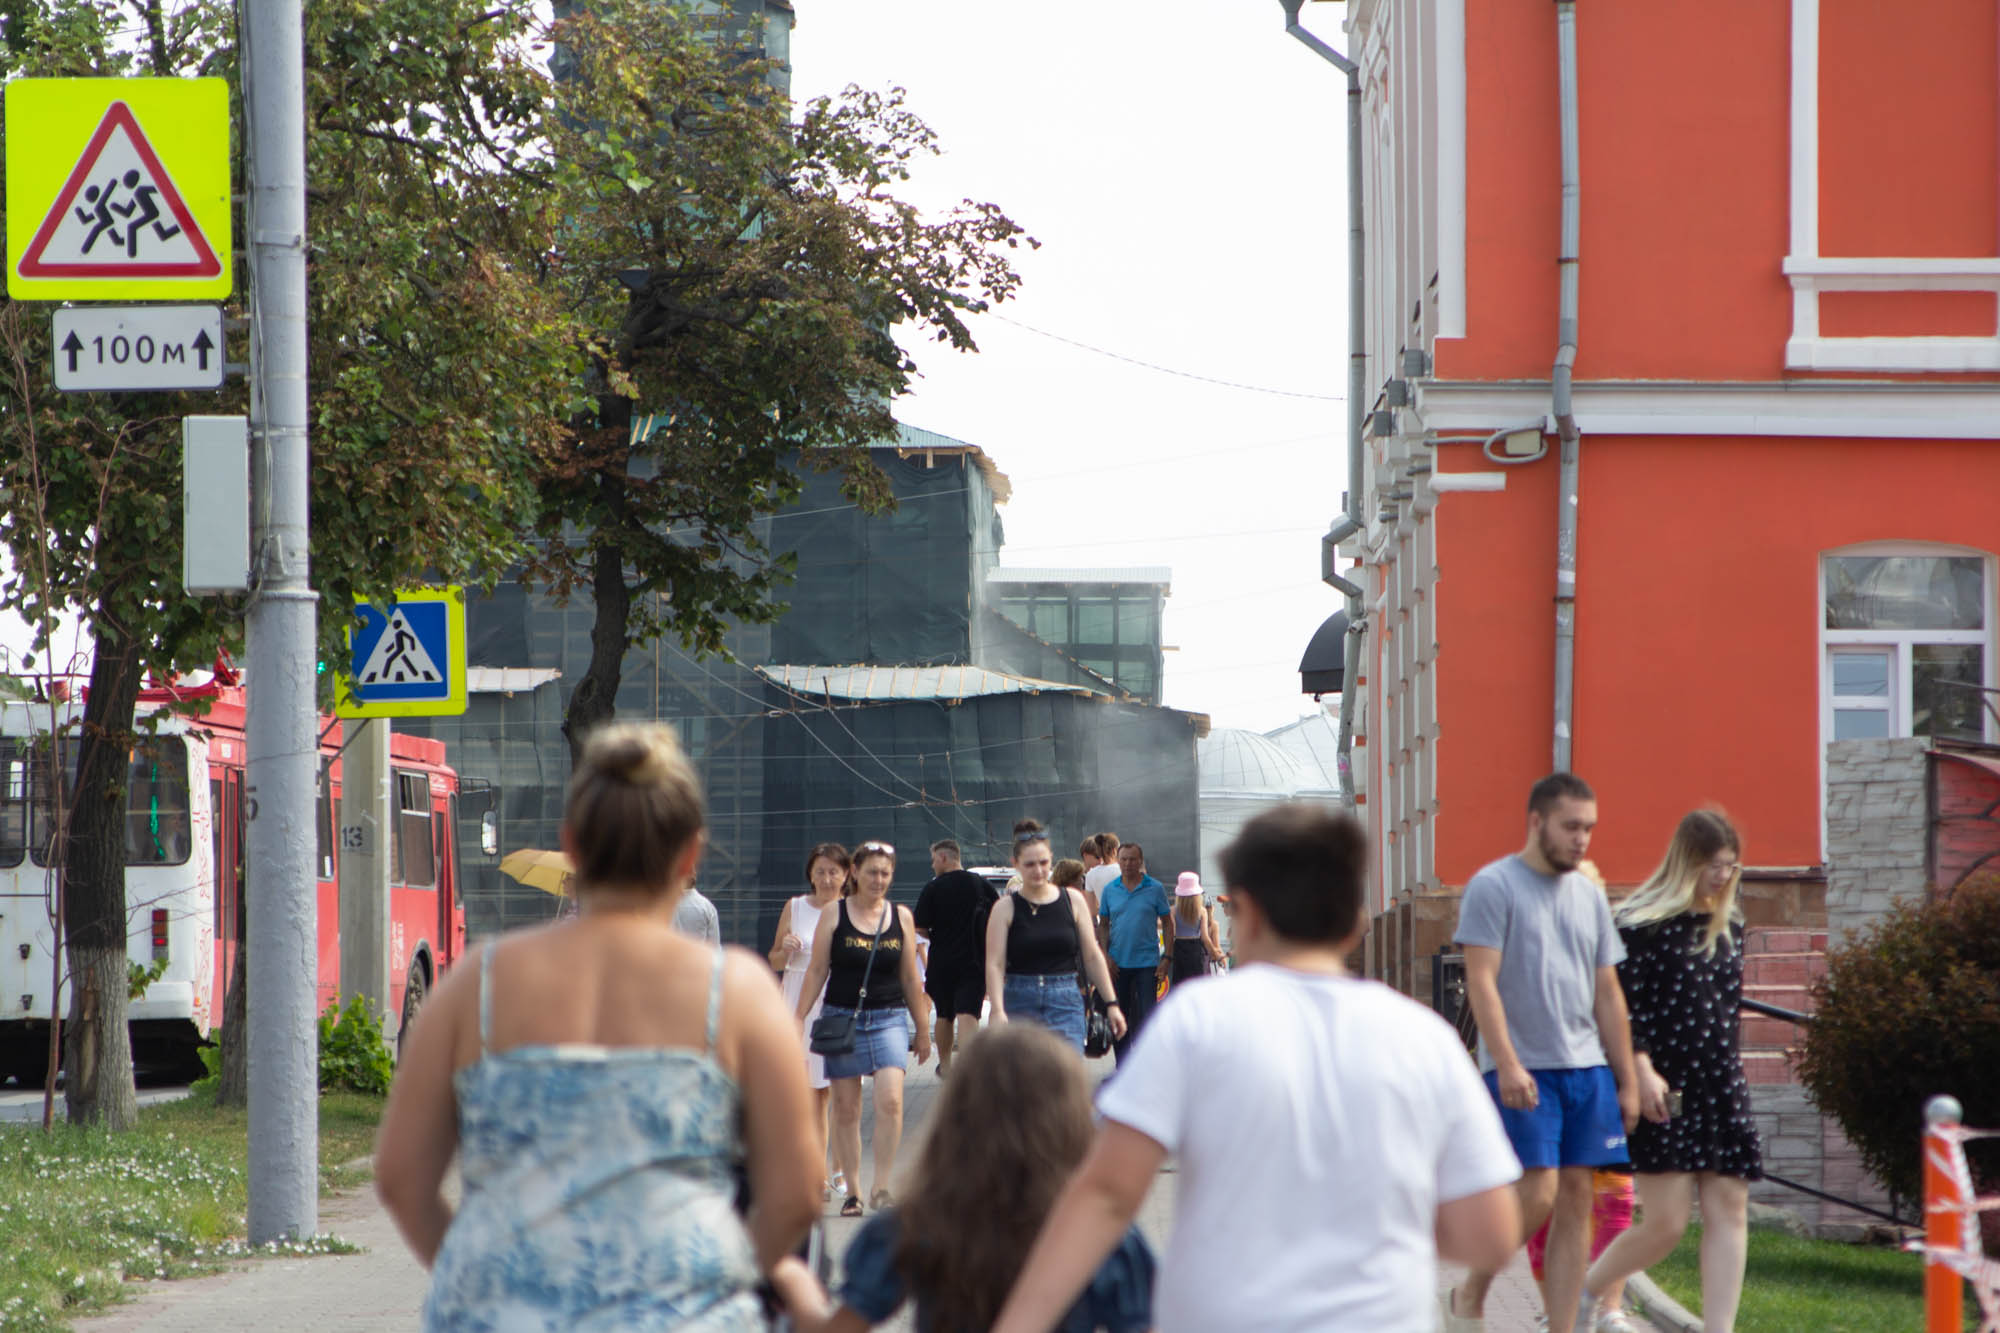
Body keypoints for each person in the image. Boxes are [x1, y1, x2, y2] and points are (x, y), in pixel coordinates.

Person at [992, 802, 1522, 1333]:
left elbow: (1107, 1193)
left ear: (1244, 912)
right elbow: (1491, 1232)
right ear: (1358, 923)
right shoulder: (1425, 1039)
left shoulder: (1197, 1021)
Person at [376, 722, 818, 1329]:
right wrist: (721, 1278)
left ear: (572, 847)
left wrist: (480, 1278)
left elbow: (401, 1178)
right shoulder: (737, 993)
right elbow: (797, 1193)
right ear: (690, 852)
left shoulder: (478, 983)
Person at [770, 1025, 1155, 1333]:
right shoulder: (1105, 1237)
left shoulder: (916, 1223)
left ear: (957, 1117)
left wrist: (792, 1277)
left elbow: (838, 1327)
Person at [1444, 772, 1641, 1333]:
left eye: (1589, 829)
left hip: (1586, 1068)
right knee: (1539, 1191)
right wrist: (1505, 1062)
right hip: (1523, 1068)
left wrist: (1625, 1077)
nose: (1583, 839)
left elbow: (1608, 990)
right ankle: (1472, 1291)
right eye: (1571, 827)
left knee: (1578, 1197)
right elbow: (1481, 981)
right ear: (1537, 823)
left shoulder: (1589, 894)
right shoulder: (1494, 886)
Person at [1578, 810, 1762, 1333]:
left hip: (1720, 1081)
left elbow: (1725, 1010)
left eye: (1730, 866)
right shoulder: (1642, 924)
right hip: (1667, 1083)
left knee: (1731, 1209)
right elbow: (1621, 1005)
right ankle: (1586, 1293)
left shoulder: (1730, 927)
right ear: (1688, 862)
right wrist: (1639, 1068)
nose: (1722, 876)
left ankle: (1719, 1328)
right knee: (1666, 1224)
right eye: (1713, 866)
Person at [793, 840, 931, 1218]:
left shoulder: (900, 916)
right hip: (842, 1017)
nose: (879, 879)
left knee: (890, 1100)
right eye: (872, 872)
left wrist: (922, 1028)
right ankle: (852, 1190)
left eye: (886, 873)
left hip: (888, 1016)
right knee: (847, 1109)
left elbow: (909, 975)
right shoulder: (835, 915)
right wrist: (798, 1016)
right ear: (855, 872)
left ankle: (881, 1185)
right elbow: (818, 969)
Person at [984, 819, 1126, 1052]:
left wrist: (1111, 1003)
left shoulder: (1073, 901)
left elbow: (1092, 956)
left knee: (1066, 1077)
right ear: (1016, 864)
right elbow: (995, 964)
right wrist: (998, 1010)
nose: (1038, 870)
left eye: (1043, 862)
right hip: (1020, 997)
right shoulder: (1005, 908)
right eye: (1029, 864)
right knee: (1026, 1080)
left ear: (1051, 859)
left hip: (1066, 998)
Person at [771, 842, 850, 1198]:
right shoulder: (795, 907)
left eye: (834, 871)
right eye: (820, 871)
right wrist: (784, 949)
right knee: (809, 1093)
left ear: (846, 875)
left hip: (836, 998)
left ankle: (837, 1169)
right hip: (798, 1000)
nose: (827, 878)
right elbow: (773, 960)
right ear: (810, 875)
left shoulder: (851, 910)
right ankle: (816, 1171)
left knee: (836, 1090)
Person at [912, 838, 999, 1078]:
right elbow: (998, 916)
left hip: (942, 961)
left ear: (943, 858)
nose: (932, 866)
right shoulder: (981, 884)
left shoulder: (933, 888)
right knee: (968, 1013)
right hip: (974, 960)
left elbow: (919, 927)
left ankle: (946, 1065)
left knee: (944, 1014)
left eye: (933, 860)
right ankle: (969, 1068)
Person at [1096, 840, 1171, 1063]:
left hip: (1147, 964)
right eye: (1124, 859)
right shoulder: (1110, 890)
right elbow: (1103, 924)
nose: (1128, 864)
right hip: (1118, 964)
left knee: (1149, 1017)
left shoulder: (1155, 888)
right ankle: (1123, 1066)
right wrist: (1106, 956)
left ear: (1140, 862)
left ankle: (1147, 1064)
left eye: (1133, 859)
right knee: (1120, 1017)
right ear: (1118, 861)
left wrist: (1167, 957)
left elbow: (1168, 922)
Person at [1165, 871, 1225, 987]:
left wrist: (1167, 956)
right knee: (1197, 984)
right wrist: (1216, 955)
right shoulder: (1202, 911)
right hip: (1196, 949)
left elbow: (1170, 934)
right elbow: (1205, 938)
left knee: (1180, 985)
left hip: (1179, 948)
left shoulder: (1172, 910)